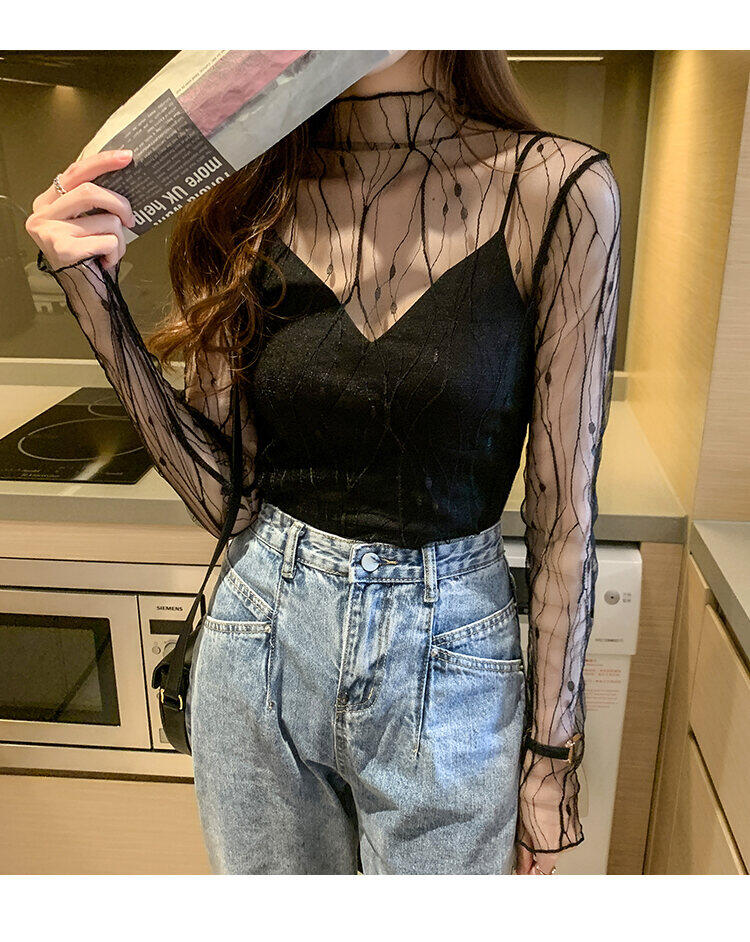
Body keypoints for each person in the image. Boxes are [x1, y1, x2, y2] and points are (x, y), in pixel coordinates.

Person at [26, 50, 621, 875]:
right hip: (260, 633)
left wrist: (552, 763)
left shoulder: (557, 189)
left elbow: (564, 515)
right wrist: (93, 296)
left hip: (453, 660)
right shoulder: (245, 197)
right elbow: (227, 500)